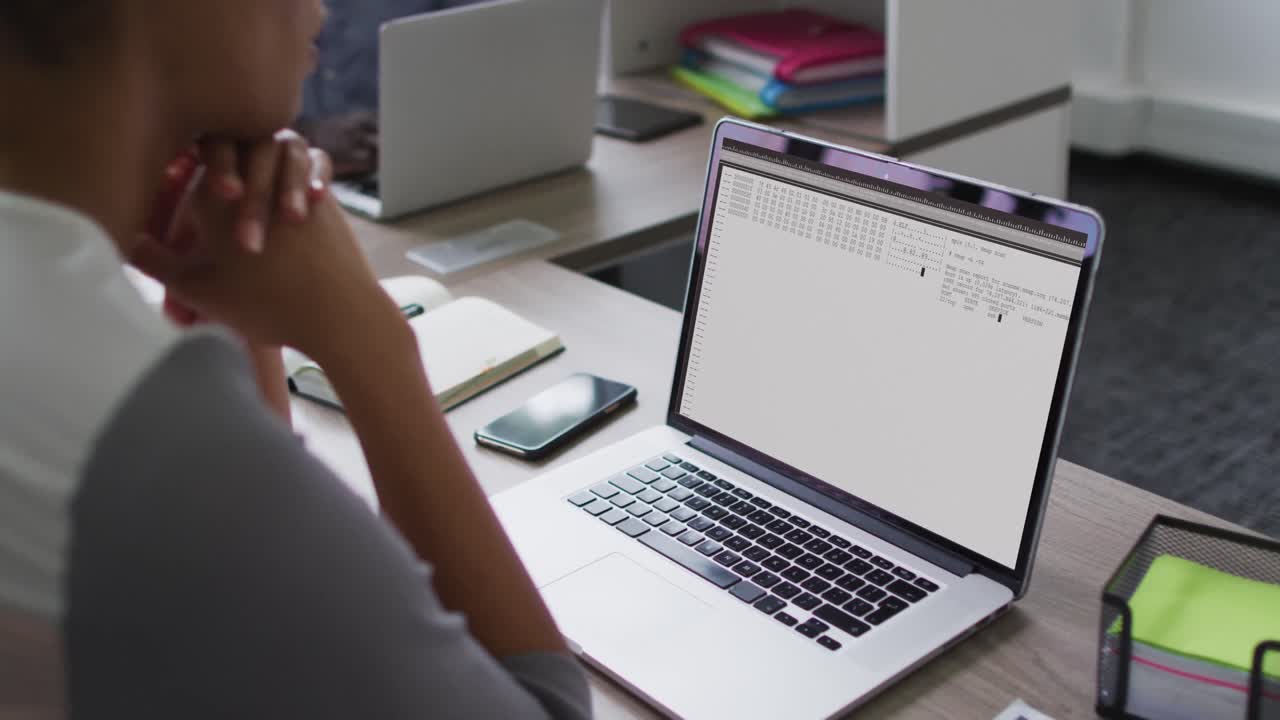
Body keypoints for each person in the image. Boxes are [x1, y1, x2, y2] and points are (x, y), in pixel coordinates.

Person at [0, 2, 589, 718]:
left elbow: (255, 630)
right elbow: (542, 707)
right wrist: (369, 343)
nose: (320, 5)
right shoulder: (136, 433)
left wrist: (235, 317)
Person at [298, 0, 483, 176]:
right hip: (293, 169)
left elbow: (482, 59)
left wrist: (408, 129)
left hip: (409, 166)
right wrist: (307, 135)